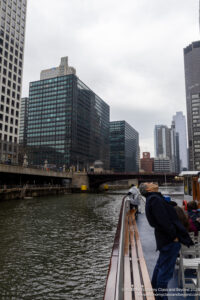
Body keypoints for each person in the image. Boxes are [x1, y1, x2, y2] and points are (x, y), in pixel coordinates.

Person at [139, 182, 193, 300]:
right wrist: (174, 236)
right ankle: (161, 297)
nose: (153, 182)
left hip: (164, 239)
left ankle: (154, 292)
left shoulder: (153, 199)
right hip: (169, 240)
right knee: (165, 273)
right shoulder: (154, 199)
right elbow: (163, 221)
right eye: (150, 183)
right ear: (148, 189)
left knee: (160, 267)